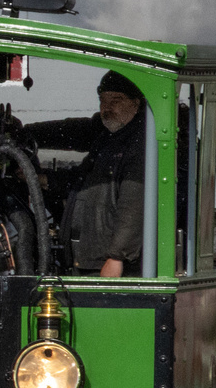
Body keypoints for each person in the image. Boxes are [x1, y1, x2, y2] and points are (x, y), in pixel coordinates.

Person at [19, 71, 147, 276]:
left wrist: (116, 257)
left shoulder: (138, 146)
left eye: (116, 100)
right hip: (90, 258)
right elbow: (83, 180)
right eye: (103, 101)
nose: (107, 108)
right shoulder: (108, 139)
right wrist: (40, 179)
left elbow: (132, 205)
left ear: (135, 104)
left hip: (108, 263)